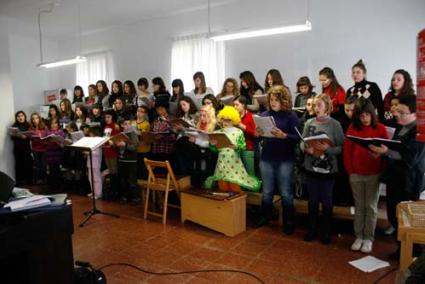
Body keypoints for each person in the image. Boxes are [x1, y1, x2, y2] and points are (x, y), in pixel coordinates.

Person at [369, 95, 425, 259]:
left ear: (415, 114)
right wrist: (382, 154)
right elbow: (394, 150)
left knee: (406, 219)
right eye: (397, 111)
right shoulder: (402, 127)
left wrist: (386, 152)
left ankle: (413, 253)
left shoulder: (420, 131)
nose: (397, 115)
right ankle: (401, 249)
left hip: (408, 181)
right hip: (395, 178)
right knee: (393, 216)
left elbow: (411, 158)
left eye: (402, 112)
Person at [343, 99, 388, 253]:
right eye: (361, 116)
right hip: (356, 173)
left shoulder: (380, 128)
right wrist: (351, 171)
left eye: (367, 115)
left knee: (371, 206)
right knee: (359, 206)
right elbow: (347, 152)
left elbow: (385, 153)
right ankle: (359, 236)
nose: (365, 119)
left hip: (374, 174)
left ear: (372, 113)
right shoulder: (353, 128)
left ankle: (369, 238)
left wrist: (379, 165)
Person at [255, 85, 300, 234]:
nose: (273, 102)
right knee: (267, 190)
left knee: (286, 191)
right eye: (271, 99)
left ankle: (289, 221)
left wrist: (284, 136)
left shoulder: (291, 116)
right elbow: (260, 136)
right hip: (267, 157)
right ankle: (265, 217)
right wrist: (258, 133)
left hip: (285, 159)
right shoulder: (264, 115)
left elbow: (297, 139)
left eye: (277, 100)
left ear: (284, 101)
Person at [301, 94, 344, 244]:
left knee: (326, 201)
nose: (316, 108)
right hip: (311, 168)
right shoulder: (309, 123)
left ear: (327, 106)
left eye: (319, 105)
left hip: (328, 170)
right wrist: (307, 150)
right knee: (312, 201)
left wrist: (328, 149)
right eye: (314, 106)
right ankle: (311, 230)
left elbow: (341, 147)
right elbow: (302, 142)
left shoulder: (335, 125)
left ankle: (325, 232)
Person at [204, 106, 261, 193]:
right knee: (222, 189)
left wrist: (236, 147)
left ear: (234, 120)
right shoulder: (218, 132)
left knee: (235, 189)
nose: (225, 122)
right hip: (221, 165)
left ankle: (236, 206)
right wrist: (212, 145)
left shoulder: (238, 132)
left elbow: (243, 147)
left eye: (228, 120)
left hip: (234, 164)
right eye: (223, 119)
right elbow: (215, 150)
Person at [117, 116, 140, 204]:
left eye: (129, 124)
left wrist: (125, 145)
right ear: (122, 125)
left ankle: (134, 197)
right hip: (122, 159)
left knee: (132, 180)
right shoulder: (120, 134)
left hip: (131, 160)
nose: (128, 126)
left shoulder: (133, 134)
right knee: (123, 179)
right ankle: (124, 196)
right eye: (125, 124)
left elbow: (134, 147)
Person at [233, 95, 256, 176]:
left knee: (250, 175)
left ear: (243, 105)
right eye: (234, 105)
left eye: (237, 105)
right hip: (236, 149)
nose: (235, 107)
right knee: (239, 175)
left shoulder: (250, 116)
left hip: (248, 149)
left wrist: (242, 126)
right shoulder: (234, 116)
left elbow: (255, 133)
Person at [10, 111, 33, 186]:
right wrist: (19, 136)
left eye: (22, 115)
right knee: (19, 165)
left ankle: (29, 180)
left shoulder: (28, 125)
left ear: (24, 116)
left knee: (28, 164)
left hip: (26, 148)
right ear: (16, 118)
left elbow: (32, 136)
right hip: (17, 149)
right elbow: (12, 137)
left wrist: (27, 136)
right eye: (18, 116)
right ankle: (19, 181)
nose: (20, 117)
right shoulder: (14, 126)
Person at [102, 109, 120, 200]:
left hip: (113, 152)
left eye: (108, 117)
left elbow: (117, 139)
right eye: (105, 117)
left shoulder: (115, 126)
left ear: (113, 117)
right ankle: (112, 192)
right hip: (106, 151)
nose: (106, 118)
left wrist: (112, 142)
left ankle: (116, 192)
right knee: (111, 172)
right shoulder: (106, 126)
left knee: (114, 172)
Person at [45, 119, 65, 192]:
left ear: (58, 124)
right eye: (52, 123)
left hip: (57, 153)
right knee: (51, 170)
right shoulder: (48, 132)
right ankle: (52, 186)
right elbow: (45, 141)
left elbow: (63, 143)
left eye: (55, 123)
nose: (53, 125)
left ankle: (58, 186)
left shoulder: (61, 132)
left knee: (57, 170)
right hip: (50, 153)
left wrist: (57, 141)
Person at [30, 112, 49, 184]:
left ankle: (44, 179)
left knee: (43, 165)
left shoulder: (45, 127)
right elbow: (31, 138)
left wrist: (45, 141)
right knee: (38, 165)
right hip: (35, 149)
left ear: (39, 119)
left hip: (44, 149)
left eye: (36, 118)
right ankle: (39, 180)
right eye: (33, 119)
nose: (35, 120)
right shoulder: (31, 128)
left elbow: (48, 138)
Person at [85, 126, 104, 199]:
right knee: (91, 178)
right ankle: (93, 192)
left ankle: (98, 193)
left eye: (90, 133)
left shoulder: (98, 141)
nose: (90, 134)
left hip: (95, 163)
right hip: (90, 162)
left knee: (96, 179)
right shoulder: (92, 141)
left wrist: (88, 152)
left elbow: (97, 153)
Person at [133, 106, 151, 180]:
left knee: (143, 169)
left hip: (144, 149)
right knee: (136, 169)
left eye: (141, 111)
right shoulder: (132, 122)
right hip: (135, 149)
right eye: (138, 111)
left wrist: (137, 132)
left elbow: (145, 136)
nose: (139, 113)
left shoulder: (146, 124)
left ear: (145, 114)